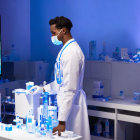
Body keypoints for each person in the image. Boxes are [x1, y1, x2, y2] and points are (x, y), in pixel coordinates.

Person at [44, 16, 90, 140]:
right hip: (67, 105)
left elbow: (70, 87)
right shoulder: (65, 50)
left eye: (53, 33)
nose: (52, 37)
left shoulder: (72, 52)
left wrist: (62, 122)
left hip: (73, 103)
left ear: (63, 30)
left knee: (74, 136)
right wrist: (43, 89)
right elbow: (61, 82)